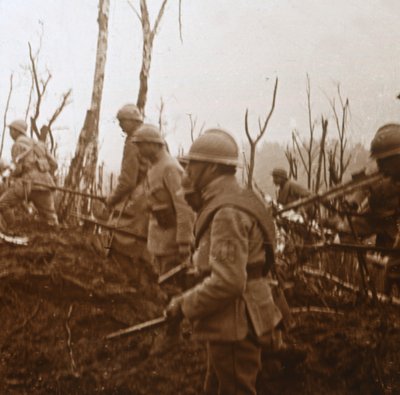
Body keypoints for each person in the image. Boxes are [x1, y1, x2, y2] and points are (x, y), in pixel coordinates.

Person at [165, 128, 282, 395]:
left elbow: (229, 281)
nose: (188, 173)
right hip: (242, 315)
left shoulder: (226, 212)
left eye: (193, 166)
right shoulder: (241, 199)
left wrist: (184, 304)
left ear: (213, 169)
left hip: (235, 321)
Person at [132, 124, 194, 281]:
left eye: (141, 145)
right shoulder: (154, 167)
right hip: (159, 241)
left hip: (173, 245)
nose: (138, 150)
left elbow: (184, 207)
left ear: (154, 145)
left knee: (173, 286)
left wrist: (184, 242)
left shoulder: (170, 168)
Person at [101, 104, 151, 286]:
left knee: (118, 232)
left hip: (142, 196)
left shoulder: (133, 141)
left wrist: (111, 199)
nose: (120, 126)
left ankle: (128, 283)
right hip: (156, 193)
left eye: (122, 121)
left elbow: (127, 181)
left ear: (132, 121)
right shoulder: (152, 137)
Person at [0, 119, 58, 229]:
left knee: (3, 204)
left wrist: (10, 176)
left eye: (11, 130)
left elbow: (18, 169)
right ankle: (56, 240)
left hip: (27, 183)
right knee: (50, 215)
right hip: (46, 183)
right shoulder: (40, 144)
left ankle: (12, 230)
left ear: (17, 131)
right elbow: (54, 164)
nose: (10, 133)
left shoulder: (17, 145)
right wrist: (43, 172)